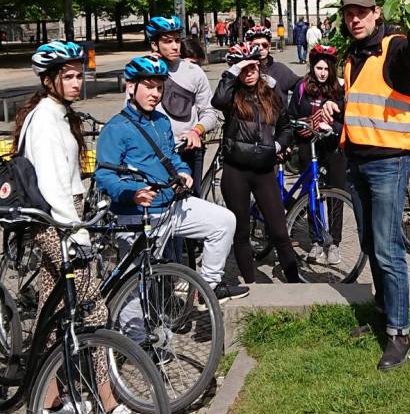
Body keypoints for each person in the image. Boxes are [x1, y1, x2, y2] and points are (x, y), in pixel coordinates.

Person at [16, 41, 148, 414]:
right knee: (93, 311)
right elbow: (53, 186)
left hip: (63, 217)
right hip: (58, 222)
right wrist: (76, 233)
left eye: (79, 74)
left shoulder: (60, 116)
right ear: (49, 80)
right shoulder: (43, 120)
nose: (78, 82)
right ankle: (108, 406)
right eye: (69, 76)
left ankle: (49, 402)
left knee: (50, 312)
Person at [321, 0, 410, 371]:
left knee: (388, 248)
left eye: (360, 13)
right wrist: (334, 109)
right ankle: (383, 313)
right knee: (372, 243)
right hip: (357, 159)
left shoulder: (395, 46)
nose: (353, 20)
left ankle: (399, 334)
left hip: (388, 162)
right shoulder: (354, 54)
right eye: (348, 14)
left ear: (375, 14)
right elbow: (362, 103)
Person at [95, 55, 246, 302]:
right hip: (136, 214)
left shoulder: (161, 121)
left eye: (159, 87)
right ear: (131, 87)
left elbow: (170, 157)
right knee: (135, 287)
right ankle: (137, 337)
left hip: (171, 206)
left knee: (224, 221)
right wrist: (132, 193)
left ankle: (207, 290)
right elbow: (105, 175)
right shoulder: (116, 128)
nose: (155, 93)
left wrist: (183, 172)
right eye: (149, 86)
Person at [211, 43, 300, 284]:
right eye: (243, 68)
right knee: (240, 232)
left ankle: (294, 283)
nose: (248, 72)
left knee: (279, 231)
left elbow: (285, 127)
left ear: (259, 67)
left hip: (263, 170)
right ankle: (251, 284)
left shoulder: (271, 94)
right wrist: (232, 71)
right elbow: (217, 100)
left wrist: (278, 146)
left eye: (252, 67)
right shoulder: (232, 96)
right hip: (235, 170)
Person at [147, 15, 218, 263]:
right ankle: (168, 272)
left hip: (188, 152)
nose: (175, 46)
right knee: (162, 213)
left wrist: (196, 131)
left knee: (189, 211)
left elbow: (210, 113)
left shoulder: (193, 72)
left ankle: (190, 269)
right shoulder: (143, 71)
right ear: (155, 44)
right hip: (158, 156)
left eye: (178, 40)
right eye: (168, 41)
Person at [288, 44, 346, 264]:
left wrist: (333, 127)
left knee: (335, 194)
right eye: (318, 68)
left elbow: (347, 120)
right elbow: (291, 115)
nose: (322, 73)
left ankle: (334, 244)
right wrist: (302, 124)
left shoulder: (340, 89)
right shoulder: (302, 87)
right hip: (308, 147)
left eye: (326, 69)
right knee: (310, 193)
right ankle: (315, 240)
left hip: (333, 148)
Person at [248, 27, 300, 106]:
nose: (261, 48)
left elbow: (302, 87)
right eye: (256, 46)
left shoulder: (280, 70)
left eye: (264, 45)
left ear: (269, 46)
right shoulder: (244, 72)